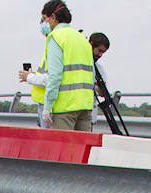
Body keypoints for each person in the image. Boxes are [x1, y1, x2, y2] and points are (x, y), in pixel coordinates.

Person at [17, 1, 95, 131]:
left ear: (53, 17)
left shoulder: (56, 37)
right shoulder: (82, 39)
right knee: (80, 150)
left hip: (65, 108)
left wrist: (47, 107)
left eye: (44, 19)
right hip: (85, 107)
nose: (44, 23)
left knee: (62, 150)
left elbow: (55, 76)